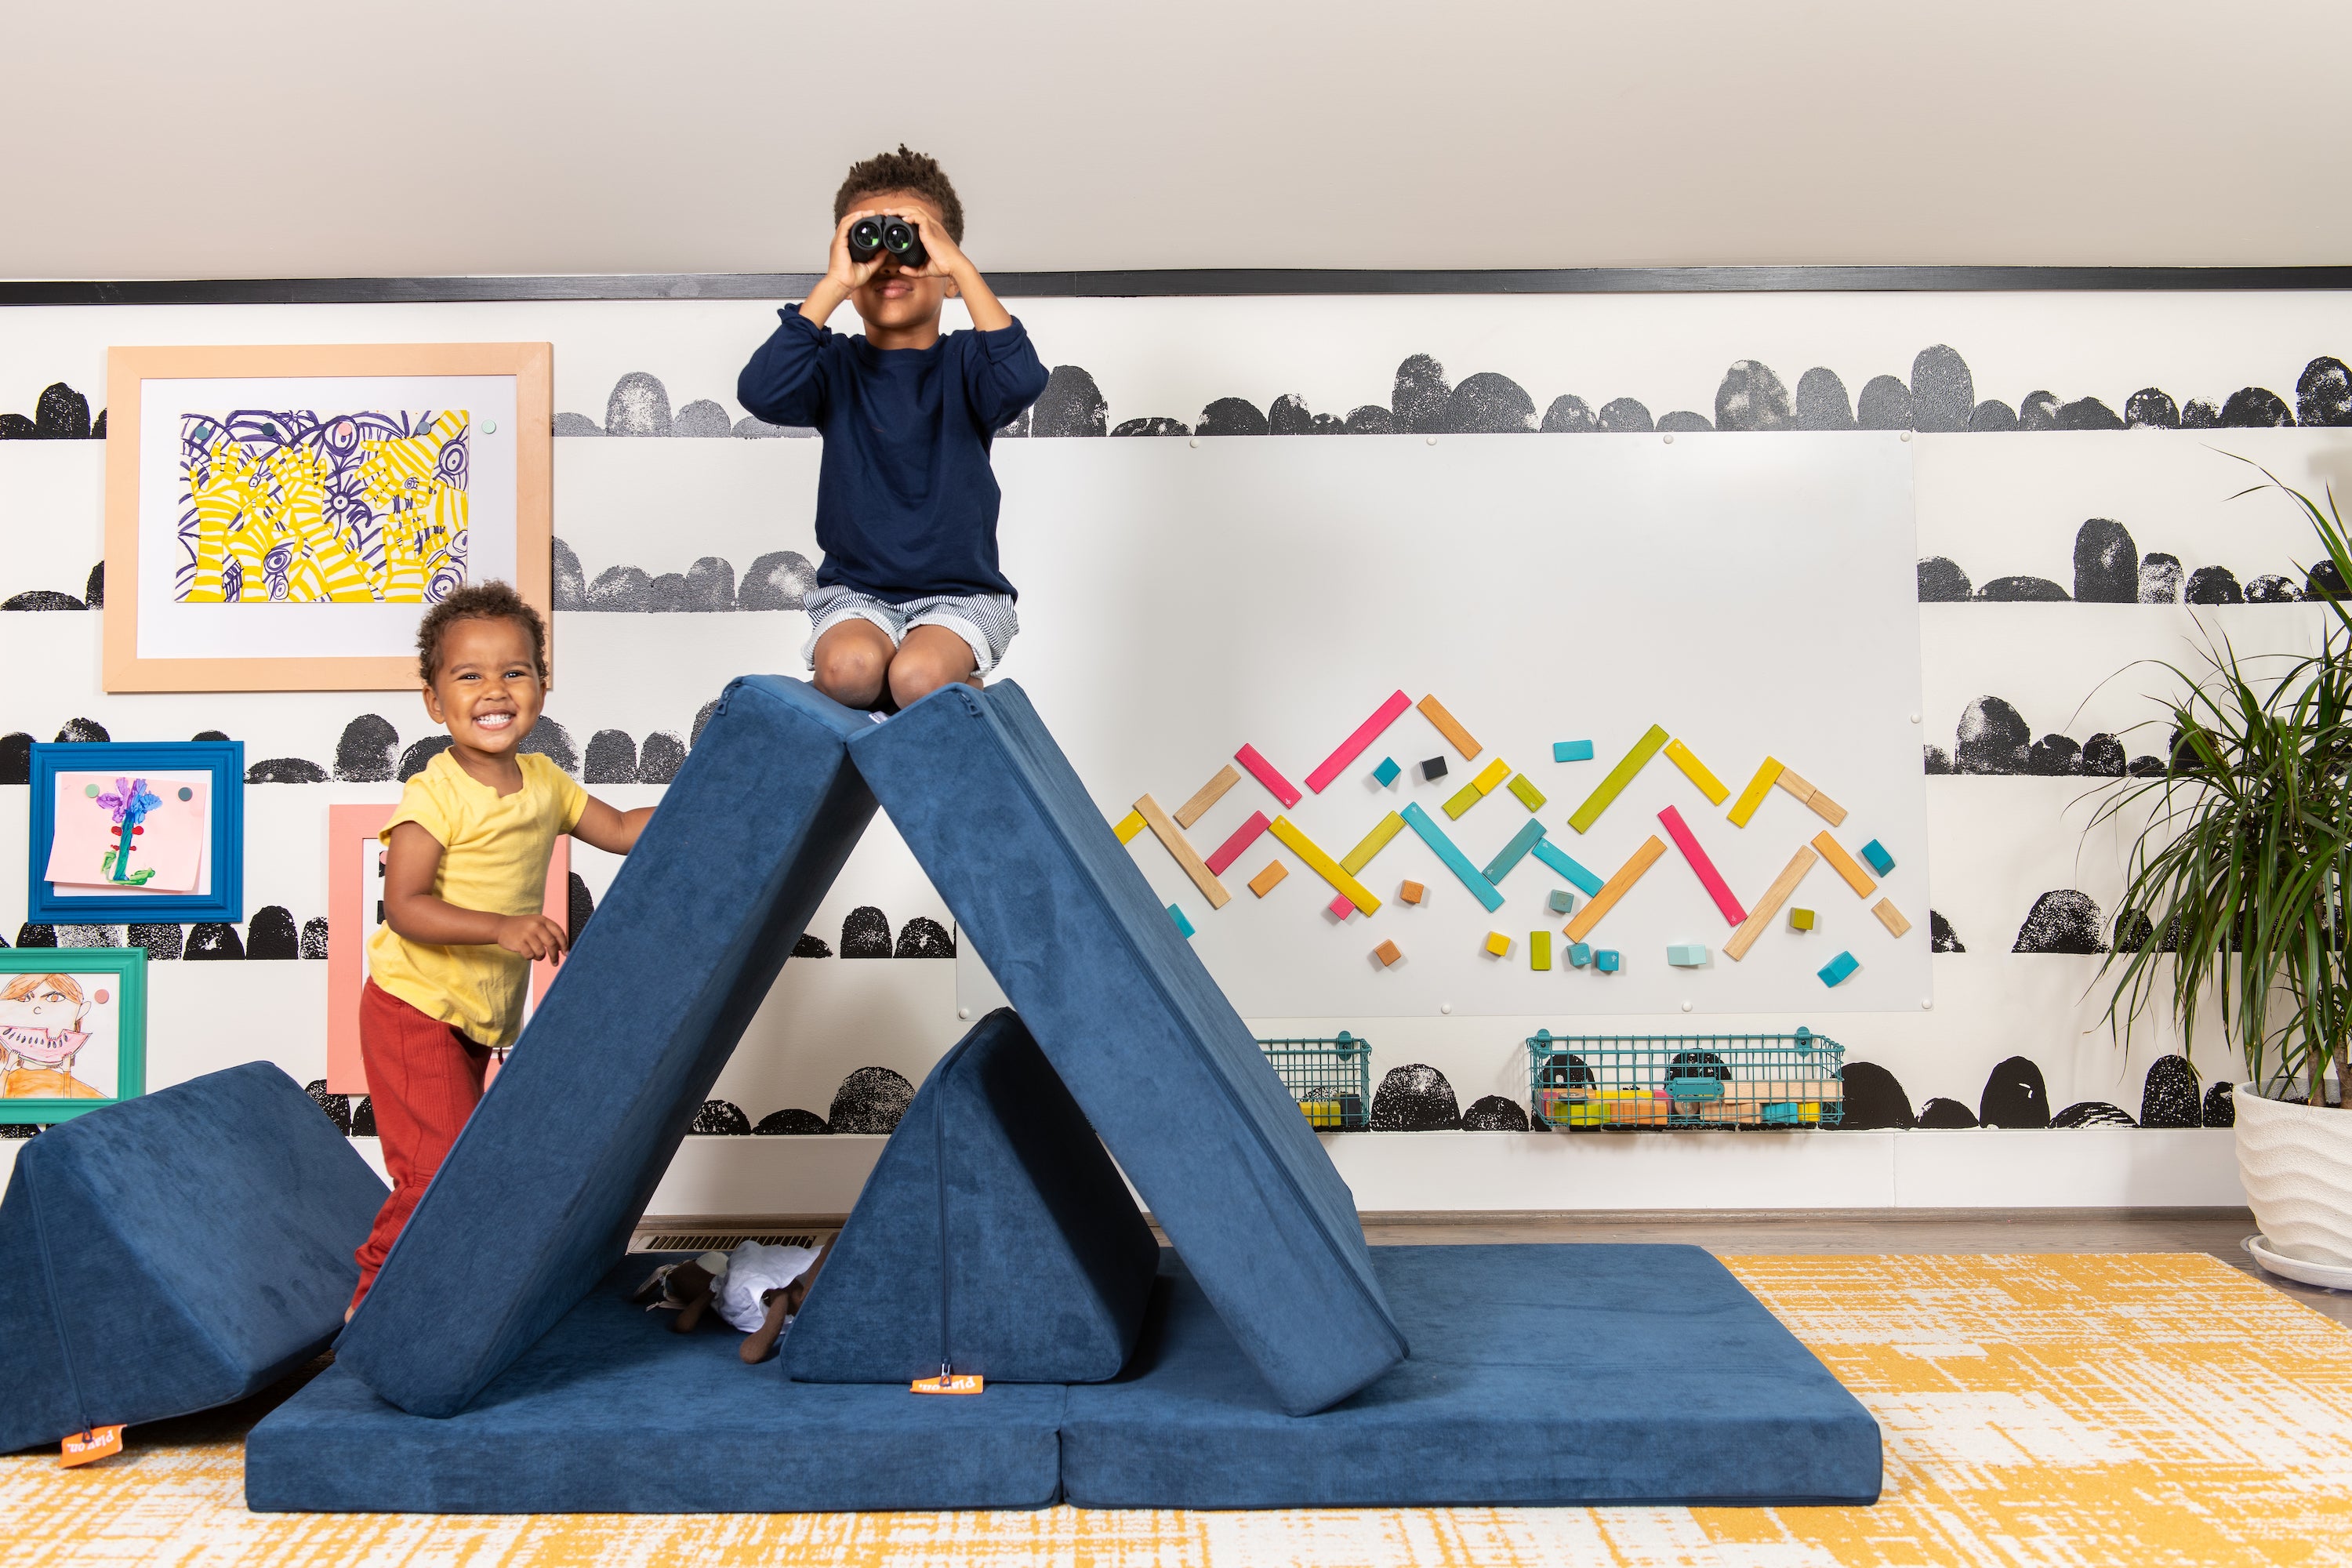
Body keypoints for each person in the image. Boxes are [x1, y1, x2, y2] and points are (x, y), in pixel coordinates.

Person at [348, 581, 655, 1316]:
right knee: (435, 1174)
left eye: (514, 672)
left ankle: (440, 1302)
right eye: (469, 676)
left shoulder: (545, 781)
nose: (495, 690)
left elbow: (619, 831)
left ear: (542, 686)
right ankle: (367, 1313)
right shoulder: (435, 794)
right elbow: (406, 907)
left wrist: (709, 801)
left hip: (475, 1016)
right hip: (412, 1005)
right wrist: (500, 926)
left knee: (464, 1166)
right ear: (433, 700)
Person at [738, 145, 1048, 712]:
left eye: (910, 241)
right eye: (869, 244)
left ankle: (950, 693)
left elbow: (1022, 377)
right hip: (857, 595)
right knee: (847, 671)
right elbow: (762, 391)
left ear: (946, 271)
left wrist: (957, 265)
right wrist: (833, 284)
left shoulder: (968, 365)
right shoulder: (833, 365)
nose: (890, 264)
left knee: (919, 679)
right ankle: (918, 700)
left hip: (961, 597)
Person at [0, 973, 104, 1099]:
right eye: (23, 999)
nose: (37, 1009)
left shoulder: (86, 1094)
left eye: (54, 998)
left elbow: (66, 1104)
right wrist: (8, 1066)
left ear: (81, 1010)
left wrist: (66, 1071)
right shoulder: (11, 1079)